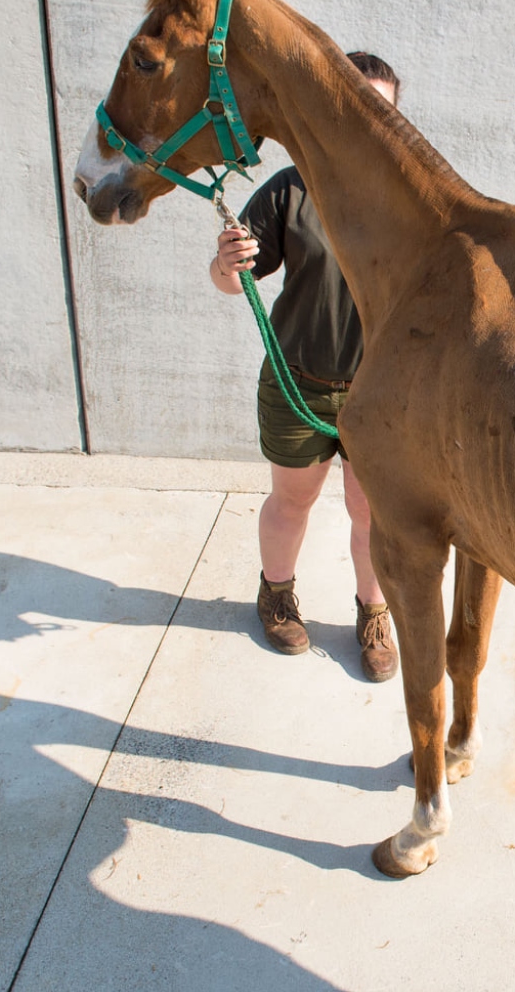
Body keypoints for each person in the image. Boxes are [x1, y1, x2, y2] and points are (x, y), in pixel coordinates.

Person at [207, 51, 400, 681]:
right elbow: (233, 282)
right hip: (297, 385)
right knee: (292, 503)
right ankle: (276, 594)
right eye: (357, 103)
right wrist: (226, 263)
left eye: (382, 109)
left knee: (372, 513)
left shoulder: (407, 197)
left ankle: (373, 614)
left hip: (378, 396)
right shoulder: (291, 189)